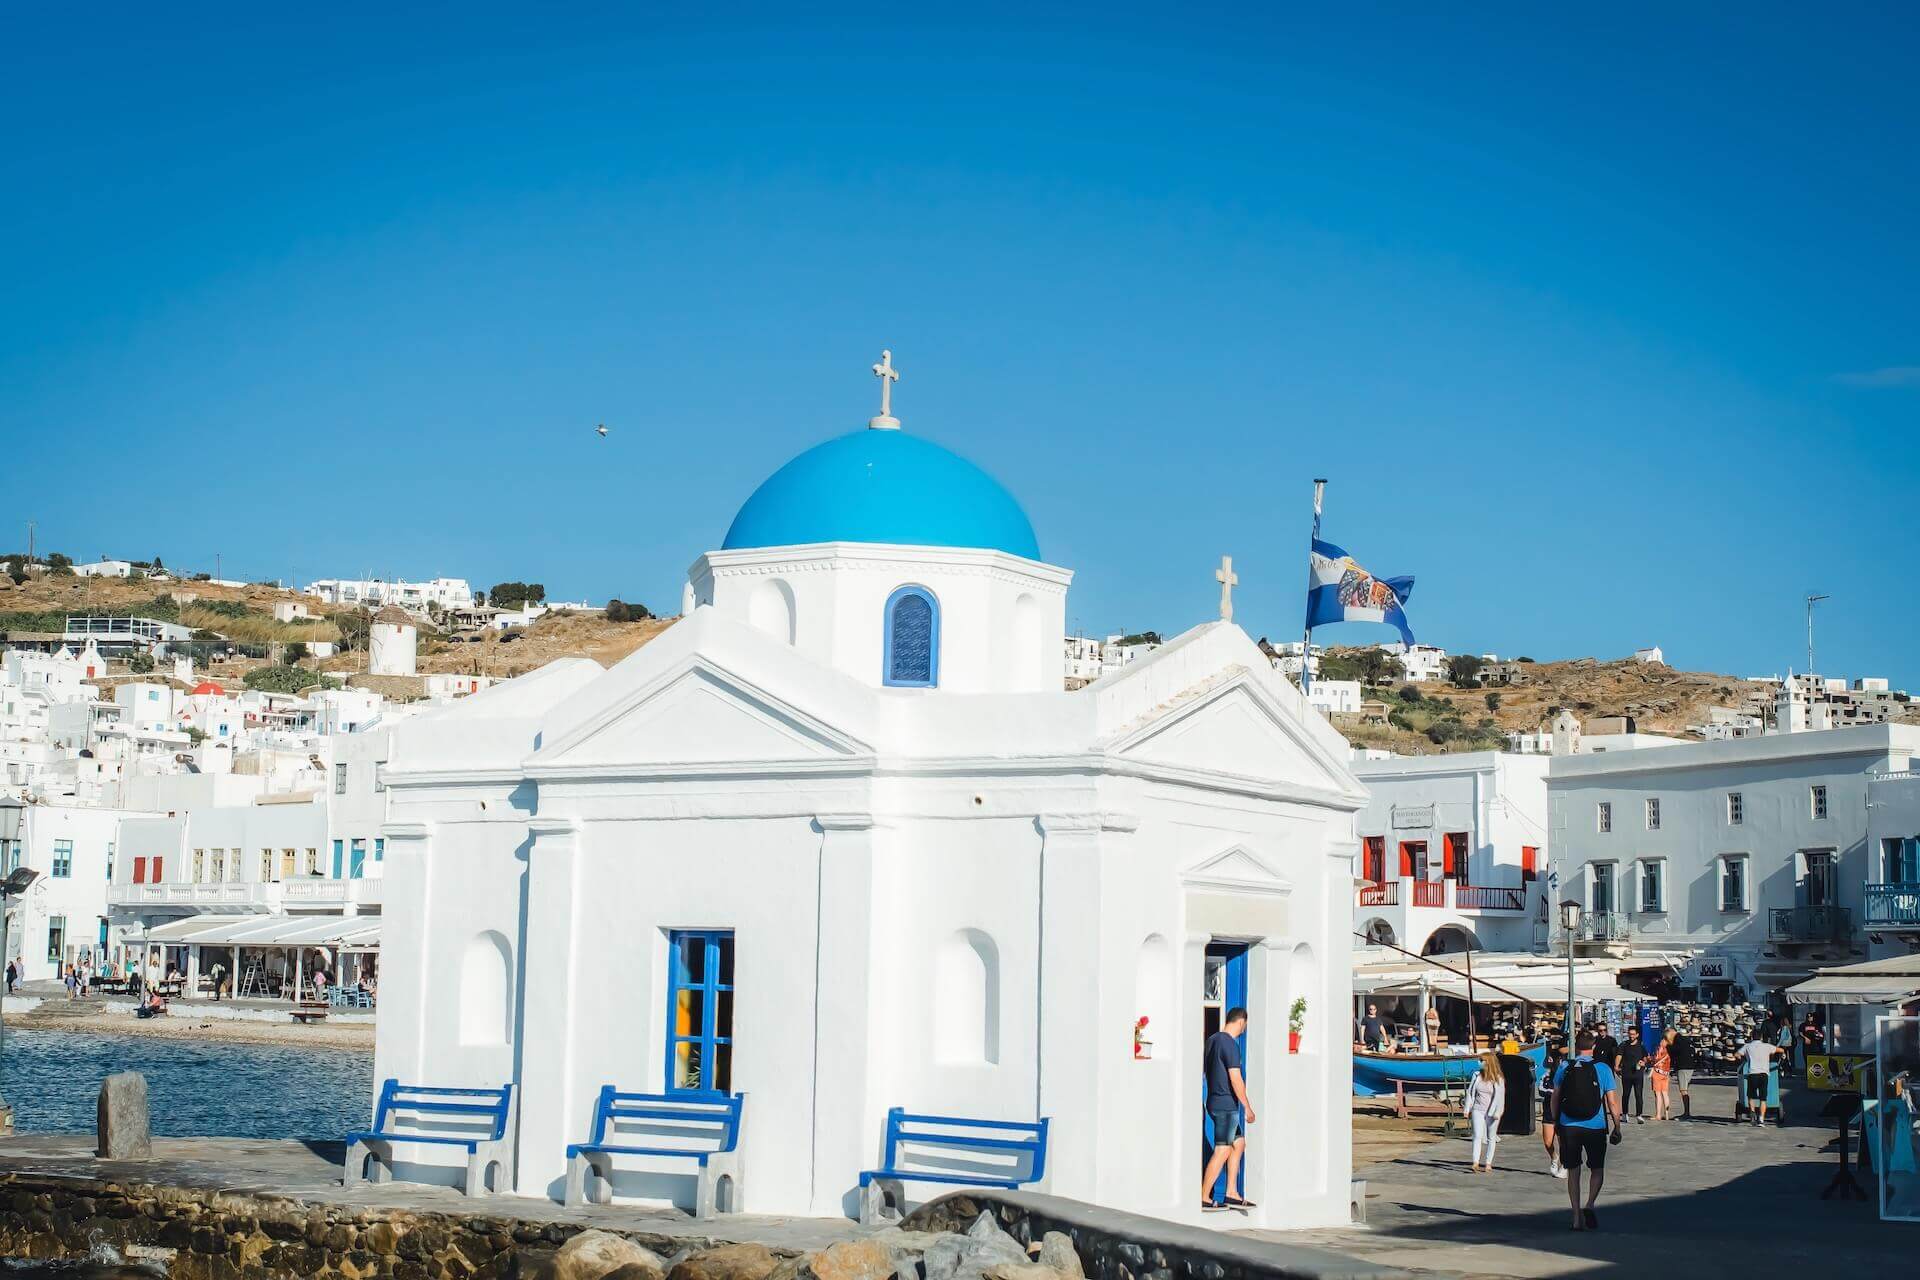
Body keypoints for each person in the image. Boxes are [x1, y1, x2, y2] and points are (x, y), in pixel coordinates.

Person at [1550, 1031, 1620, 1231]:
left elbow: (1555, 1097)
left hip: (1569, 1126)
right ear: (1594, 1046)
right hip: (1595, 1125)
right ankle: (1589, 1204)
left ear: (1576, 1046)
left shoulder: (1565, 1066)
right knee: (1597, 1169)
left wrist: (1556, 1121)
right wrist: (1617, 1125)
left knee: (1573, 1171)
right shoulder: (1603, 1068)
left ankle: (1576, 1218)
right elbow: (1612, 1101)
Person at [1201, 1007, 1257, 1211]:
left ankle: (1231, 1192)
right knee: (1223, 1149)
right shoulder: (1230, 1044)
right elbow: (1235, 1078)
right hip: (1226, 1104)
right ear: (1241, 1022)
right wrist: (1247, 1107)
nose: (1244, 1029)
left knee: (1238, 1143)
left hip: (1215, 1101)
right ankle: (1204, 1196)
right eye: (1245, 1025)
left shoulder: (1212, 1040)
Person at [1464, 1051, 1506, 1172]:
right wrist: (1467, 1108)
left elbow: (1500, 1097)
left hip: (1492, 1111)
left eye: (1482, 1060)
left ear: (1489, 1062)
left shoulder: (1498, 1078)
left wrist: (1498, 1112)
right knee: (1477, 1135)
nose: (1480, 1063)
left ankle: (1488, 1163)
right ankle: (1475, 1162)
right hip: (1478, 1109)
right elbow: (1470, 1092)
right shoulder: (1476, 1075)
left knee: (1491, 1137)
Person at [1740, 1033, 1784, 1126]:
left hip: (1752, 1073)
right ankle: (1761, 1119)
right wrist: (1780, 1057)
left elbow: (1737, 1054)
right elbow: (1781, 1050)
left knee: (1751, 1096)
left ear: (1752, 1037)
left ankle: (1752, 1114)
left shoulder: (1747, 1046)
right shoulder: (1767, 1046)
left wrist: (1745, 1058)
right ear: (1761, 1037)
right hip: (1764, 1074)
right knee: (1763, 1099)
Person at [1540, 1040, 1567, 1180]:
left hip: (1563, 1111)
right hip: (1548, 1111)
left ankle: (1564, 1165)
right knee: (1547, 1141)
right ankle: (1554, 1157)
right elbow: (1541, 1089)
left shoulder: (1567, 1073)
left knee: (1563, 1140)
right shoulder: (1547, 1075)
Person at [1615, 1026, 1648, 1123]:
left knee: (1638, 1094)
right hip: (1626, 1073)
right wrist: (1616, 1066)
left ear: (1637, 1035)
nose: (1631, 1036)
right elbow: (1619, 1055)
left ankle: (1639, 1115)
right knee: (1625, 1094)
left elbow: (1645, 1057)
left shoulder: (1641, 1046)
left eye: (1633, 1034)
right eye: (1630, 1034)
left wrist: (1644, 1062)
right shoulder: (1624, 1045)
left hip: (1638, 1074)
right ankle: (1625, 1114)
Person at [1669, 1026, 1697, 1119]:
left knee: (1683, 1090)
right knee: (1684, 1089)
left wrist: (1668, 1045)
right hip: (1690, 1066)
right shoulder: (1685, 1040)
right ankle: (1686, 1112)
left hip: (1683, 1067)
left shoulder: (1677, 1040)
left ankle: (1686, 1113)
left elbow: (1673, 1051)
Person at [1650, 1028, 1675, 1121]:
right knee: (1665, 1094)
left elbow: (1655, 1059)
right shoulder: (1670, 1049)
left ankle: (1658, 1115)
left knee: (1658, 1094)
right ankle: (1667, 1114)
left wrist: (1651, 1059)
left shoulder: (1661, 1048)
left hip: (1658, 1072)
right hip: (1666, 1073)